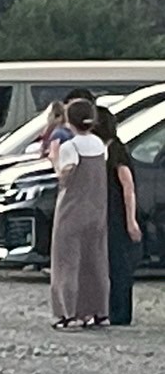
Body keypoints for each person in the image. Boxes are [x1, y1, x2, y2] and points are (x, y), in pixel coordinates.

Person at [49, 98, 110, 331]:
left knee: (67, 263)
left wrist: (54, 161)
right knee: (95, 262)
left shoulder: (70, 147)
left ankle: (68, 313)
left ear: (69, 121)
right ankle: (98, 311)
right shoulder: (99, 145)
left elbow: (65, 176)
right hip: (97, 210)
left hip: (72, 210)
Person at [97, 105, 141, 327]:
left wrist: (130, 220)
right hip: (107, 213)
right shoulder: (105, 149)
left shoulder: (117, 151)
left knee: (119, 266)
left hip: (118, 214)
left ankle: (121, 313)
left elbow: (128, 186)